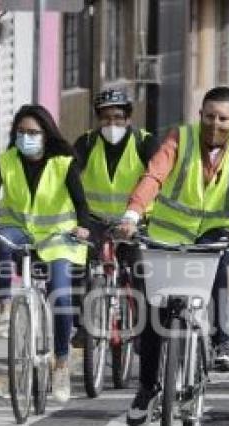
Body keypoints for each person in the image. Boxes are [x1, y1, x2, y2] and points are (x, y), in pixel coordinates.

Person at [116, 86, 229, 426]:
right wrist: (132, 215)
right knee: (155, 313)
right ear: (200, 115)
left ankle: (214, 341)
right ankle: (148, 387)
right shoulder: (179, 139)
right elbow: (154, 175)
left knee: (211, 281)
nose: (216, 124)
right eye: (210, 116)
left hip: (215, 235)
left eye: (224, 118)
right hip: (168, 235)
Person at [0, 104, 91, 402]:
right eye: (21, 132)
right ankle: (5, 305)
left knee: (60, 297)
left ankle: (61, 362)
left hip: (58, 237)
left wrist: (83, 227)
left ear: (46, 135)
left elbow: (81, 204)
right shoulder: (5, 161)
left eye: (33, 132)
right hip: (18, 228)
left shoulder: (63, 163)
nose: (27, 138)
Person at [71, 88, 159, 345]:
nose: (112, 124)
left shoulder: (145, 143)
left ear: (129, 118)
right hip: (95, 220)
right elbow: (71, 178)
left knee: (141, 273)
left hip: (136, 222)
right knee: (81, 267)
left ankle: (145, 332)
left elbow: (159, 179)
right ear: (98, 120)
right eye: (106, 118)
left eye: (118, 117)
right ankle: (84, 325)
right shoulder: (86, 143)